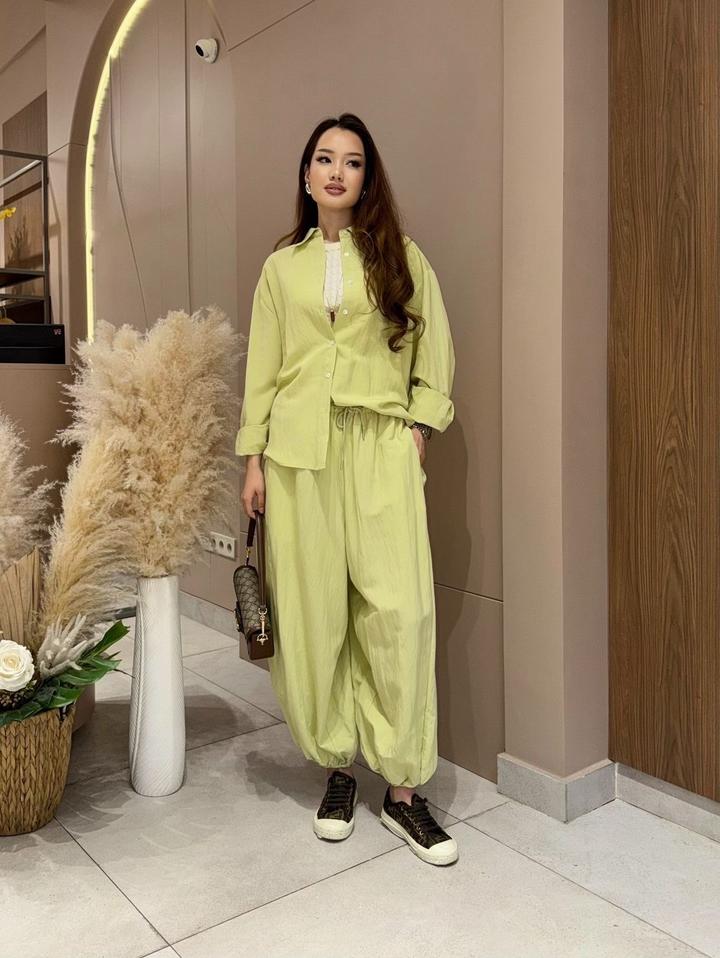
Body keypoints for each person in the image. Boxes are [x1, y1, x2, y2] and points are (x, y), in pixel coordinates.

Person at [237, 112, 457, 866]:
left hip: (379, 446)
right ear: (306, 175)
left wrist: (417, 430)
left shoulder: (401, 257)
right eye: (325, 159)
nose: (337, 171)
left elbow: (434, 349)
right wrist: (253, 459)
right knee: (315, 614)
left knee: (400, 612)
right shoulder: (280, 269)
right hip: (298, 455)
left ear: (367, 177)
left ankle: (403, 791)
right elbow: (264, 368)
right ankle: (337, 767)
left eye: (352, 161)